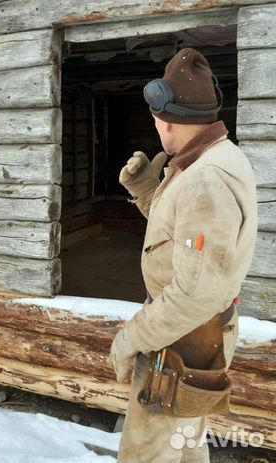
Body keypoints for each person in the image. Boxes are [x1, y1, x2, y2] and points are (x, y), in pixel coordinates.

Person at [109, 49, 257, 462]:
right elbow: (180, 237)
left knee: (149, 454)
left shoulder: (206, 180)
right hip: (196, 337)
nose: (156, 128)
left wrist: (131, 338)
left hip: (181, 343)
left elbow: (195, 294)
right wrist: (146, 192)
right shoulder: (213, 156)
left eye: (157, 121)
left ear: (171, 123)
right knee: (184, 446)